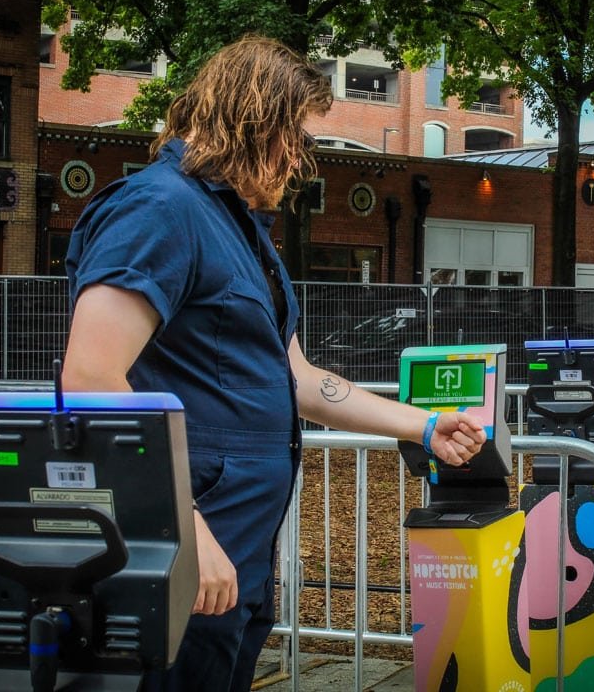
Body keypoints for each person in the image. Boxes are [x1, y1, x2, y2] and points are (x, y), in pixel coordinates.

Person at [61, 34, 488, 692]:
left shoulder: (235, 228)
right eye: (294, 137)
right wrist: (180, 527)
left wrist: (424, 426)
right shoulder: (160, 208)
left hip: (236, 548)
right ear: (253, 120)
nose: (299, 160)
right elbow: (90, 379)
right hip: (183, 541)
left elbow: (298, 379)